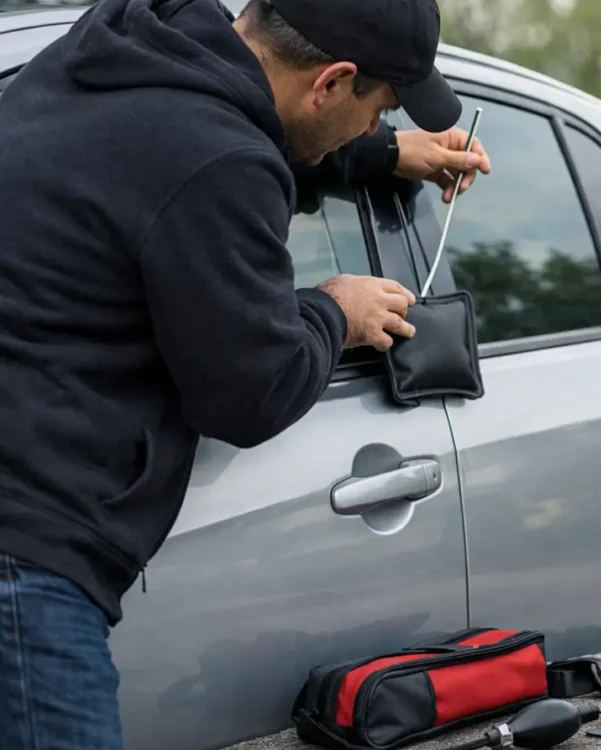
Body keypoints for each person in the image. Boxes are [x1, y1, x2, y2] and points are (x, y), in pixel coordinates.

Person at [0, 0, 490, 746]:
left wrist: (386, 154)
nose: (374, 125)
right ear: (331, 82)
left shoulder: (118, 53)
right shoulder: (222, 164)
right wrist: (335, 310)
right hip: (26, 555)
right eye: (378, 109)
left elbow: (185, 151)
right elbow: (250, 390)